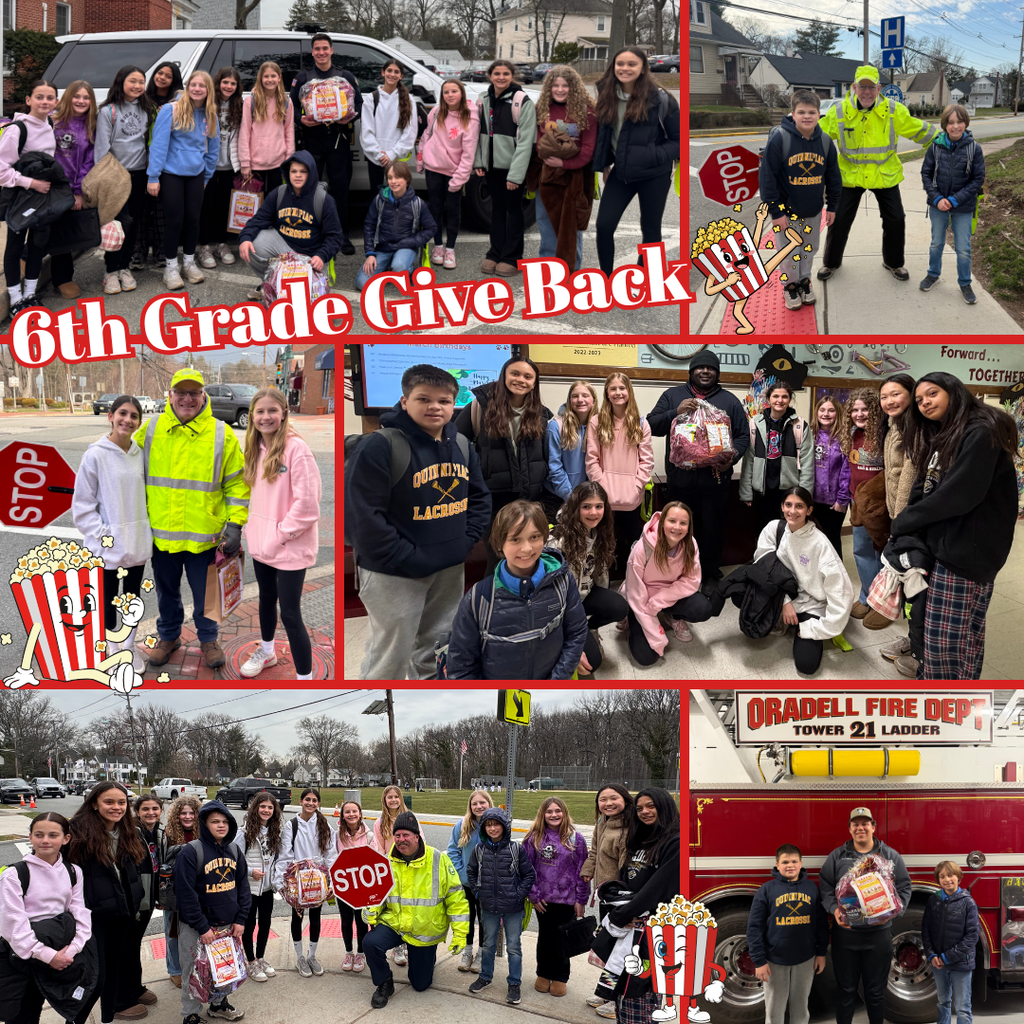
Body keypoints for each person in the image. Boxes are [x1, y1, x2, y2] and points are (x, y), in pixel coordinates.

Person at [344, 364, 490, 681]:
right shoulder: (379, 446)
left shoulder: (463, 446)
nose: (435, 407)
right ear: (405, 400)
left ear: (454, 405)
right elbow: (361, 519)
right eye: (424, 399)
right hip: (393, 574)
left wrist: (463, 544)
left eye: (444, 401)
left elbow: (480, 500)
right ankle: (382, 711)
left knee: (437, 651)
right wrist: (408, 558)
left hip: (448, 570)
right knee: (390, 658)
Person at [890, 372, 1018, 679]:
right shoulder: (946, 433)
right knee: (951, 636)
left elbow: (957, 496)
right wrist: (906, 524)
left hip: (966, 554)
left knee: (947, 643)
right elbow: (927, 484)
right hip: (947, 545)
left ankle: (944, 700)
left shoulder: (982, 431)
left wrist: (902, 523)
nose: (924, 403)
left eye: (931, 394)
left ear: (954, 391)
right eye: (919, 400)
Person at [133, 368, 250, 670]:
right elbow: (124, 463)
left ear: (203, 396)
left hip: (205, 536)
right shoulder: (151, 429)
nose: (187, 398)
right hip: (162, 535)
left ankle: (208, 639)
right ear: (170, 396)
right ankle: (169, 637)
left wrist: (235, 525)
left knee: (207, 595)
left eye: (194, 393)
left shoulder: (221, 433)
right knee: (166, 593)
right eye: (181, 392)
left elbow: (237, 485)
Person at [818, 65, 937, 282]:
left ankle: (893, 262)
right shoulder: (839, 112)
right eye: (862, 87)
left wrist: (947, 140)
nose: (866, 92)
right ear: (854, 87)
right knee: (839, 219)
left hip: (884, 174)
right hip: (850, 175)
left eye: (871, 87)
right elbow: (817, 135)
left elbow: (919, 130)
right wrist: (791, 135)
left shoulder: (894, 110)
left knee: (896, 219)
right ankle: (831, 263)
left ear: (879, 88)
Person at [447, 500, 588, 680]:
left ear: (545, 538)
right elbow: (461, 667)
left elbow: (576, 632)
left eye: (534, 537)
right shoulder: (478, 599)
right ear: (499, 544)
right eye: (515, 539)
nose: (527, 548)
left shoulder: (563, 581)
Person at [646, 350, 750, 585]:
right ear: (691, 371)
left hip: (715, 481)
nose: (705, 371)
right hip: (680, 481)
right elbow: (651, 425)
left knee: (712, 530)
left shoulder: (729, 401)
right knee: (677, 530)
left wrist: (732, 457)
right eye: (700, 368)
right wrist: (676, 412)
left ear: (717, 373)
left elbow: (743, 436)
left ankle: (710, 574)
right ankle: (677, 574)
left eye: (711, 368)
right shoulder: (672, 396)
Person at [240, 387, 322, 680]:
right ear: (251, 416)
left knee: (290, 613)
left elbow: (308, 505)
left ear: (284, 413)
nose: (266, 417)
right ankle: (267, 651)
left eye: (272, 411)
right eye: (260, 411)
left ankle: (305, 678)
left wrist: (279, 535)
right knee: (265, 600)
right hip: (262, 545)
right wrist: (250, 531)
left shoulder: (296, 449)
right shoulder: (254, 449)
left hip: (288, 547)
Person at [71, 394, 152, 671]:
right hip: (107, 548)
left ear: (139, 422)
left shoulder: (140, 454)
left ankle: (128, 648)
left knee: (132, 601)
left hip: (137, 545)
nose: (127, 420)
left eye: (133, 416)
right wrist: (106, 535)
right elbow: (82, 505)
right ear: (111, 416)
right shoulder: (95, 455)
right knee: (106, 603)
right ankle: (109, 647)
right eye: (123, 414)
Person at [455, 355, 552, 572]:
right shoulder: (479, 408)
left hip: (529, 499)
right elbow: (455, 445)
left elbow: (549, 457)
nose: (521, 380)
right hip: (492, 500)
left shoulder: (543, 416)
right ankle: (493, 602)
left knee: (526, 560)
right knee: (498, 558)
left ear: (534, 383)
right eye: (515, 374)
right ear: (504, 376)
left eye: (528, 376)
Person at [363, 811, 469, 1008]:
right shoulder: (386, 861)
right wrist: (371, 911)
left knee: (420, 984)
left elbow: (457, 899)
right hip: (395, 923)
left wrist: (460, 934)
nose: (401, 840)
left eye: (406, 835)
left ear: (416, 836)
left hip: (424, 930)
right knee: (370, 943)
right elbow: (377, 896)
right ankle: (384, 982)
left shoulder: (439, 860)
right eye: (398, 835)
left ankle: (425, 960)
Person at [818, 808, 912, 1024]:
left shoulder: (889, 855)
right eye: (856, 824)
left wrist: (894, 912)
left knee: (876, 993)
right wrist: (834, 910)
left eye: (865, 823)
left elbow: (905, 888)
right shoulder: (837, 856)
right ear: (850, 829)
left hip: (878, 936)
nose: (860, 828)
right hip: (846, 936)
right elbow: (825, 887)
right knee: (845, 992)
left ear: (873, 826)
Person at [0, 812, 94, 1024]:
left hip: (63, 950)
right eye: (39, 834)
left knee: (74, 1000)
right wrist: (48, 956)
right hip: (26, 957)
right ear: (30, 837)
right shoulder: (14, 875)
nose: (45, 840)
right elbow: (12, 925)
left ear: (65, 839)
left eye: (53, 835)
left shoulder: (73, 871)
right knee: (25, 1014)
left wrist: (72, 950)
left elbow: (80, 911)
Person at [593, 48, 680, 276]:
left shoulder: (661, 99)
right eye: (620, 63)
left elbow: (678, 141)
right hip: (620, 174)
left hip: (654, 175)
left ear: (643, 68)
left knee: (650, 229)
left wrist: (652, 156)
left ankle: (645, 278)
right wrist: (605, 164)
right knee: (603, 226)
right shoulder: (606, 95)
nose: (625, 68)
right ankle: (607, 277)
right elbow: (605, 135)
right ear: (613, 66)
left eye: (632, 64)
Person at [68, 781, 147, 1023]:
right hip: (92, 917)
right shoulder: (77, 833)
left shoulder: (129, 831)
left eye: (122, 802)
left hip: (121, 915)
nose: (117, 807)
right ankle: (74, 1019)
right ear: (94, 803)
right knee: (94, 977)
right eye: (109, 802)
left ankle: (108, 1016)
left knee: (113, 971)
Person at [752, 487, 854, 675]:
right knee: (743, 596)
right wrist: (785, 601)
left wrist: (817, 629)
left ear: (809, 510)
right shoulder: (774, 528)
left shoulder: (820, 542)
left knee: (806, 665)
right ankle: (786, 618)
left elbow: (843, 591)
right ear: (782, 507)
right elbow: (762, 566)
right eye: (788, 505)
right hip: (781, 595)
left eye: (799, 506)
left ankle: (798, 623)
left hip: (811, 604)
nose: (792, 511)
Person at [759, 90, 840, 309]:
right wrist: (776, 212)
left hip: (813, 211)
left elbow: (833, 176)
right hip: (787, 213)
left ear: (819, 114)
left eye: (812, 112)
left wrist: (832, 206)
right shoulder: (780, 140)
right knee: (788, 253)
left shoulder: (824, 141)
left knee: (809, 249)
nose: (807, 116)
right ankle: (790, 287)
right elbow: (767, 179)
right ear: (792, 114)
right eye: (801, 112)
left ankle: (804, 281)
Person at [608, 789, 682, 1024]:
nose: (644, 812)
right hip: (630, 930)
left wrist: (622, 915)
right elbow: (624, 879)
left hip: (653, 934)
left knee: (640, 989)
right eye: (639, 808)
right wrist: (612, 900)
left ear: (665, 806)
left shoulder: (676, 841)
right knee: (620, 988)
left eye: (651, 806)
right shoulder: (640, 839)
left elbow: (658, 888)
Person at [174, 801, 250, 1024]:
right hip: (197, 927)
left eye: (225, 821)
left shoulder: (234, 850)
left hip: (227, 926)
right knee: (193, 972)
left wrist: (240, 918)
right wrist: (202, 926)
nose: (221, 826)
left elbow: (242, 887)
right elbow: (186, 895)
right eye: (215, 821)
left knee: (224, 968)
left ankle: (218, 1004)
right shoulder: (191, 852)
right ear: (204, 824)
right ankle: (190, 1013)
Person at [146, 70, 219, 290]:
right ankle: (171, 268)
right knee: (175, 221)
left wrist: (206, 175)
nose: (197, 89)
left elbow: (212, 149)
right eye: (193, 84)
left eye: (202, 86)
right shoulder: (171, 109)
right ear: (188, 87)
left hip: (196, 175)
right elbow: (158, 144)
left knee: (193, 220)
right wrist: (153, 176)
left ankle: (188, 262)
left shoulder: (210, 114)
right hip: (171, 174)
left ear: (208, 90)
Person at [237, 150, 343, 301]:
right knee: (252, 243)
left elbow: (335, 237)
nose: (297, 175)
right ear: (288, 173)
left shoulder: (324, 200)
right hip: (285, 248)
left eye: (303, 171)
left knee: (312, 305)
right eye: (293, 171)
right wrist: (245, 238)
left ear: (311, 173)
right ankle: (271, 282)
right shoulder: (279, 193)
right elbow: (258, 220)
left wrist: (321, 255)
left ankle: (295, 286)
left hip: (312, 257)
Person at [548, 481, 628, 677]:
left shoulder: (600, 530)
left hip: (583, 596)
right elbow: (550, 598)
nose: (594, 512)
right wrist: (570, 641)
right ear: (576, 508)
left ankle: (590, 628)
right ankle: (572, 635)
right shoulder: (557, 539)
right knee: (592, 663)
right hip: (562, 608)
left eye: (598, 506)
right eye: (586, 507)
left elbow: (600, 572)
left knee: (619, 606)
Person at [290, 33, 361, 255]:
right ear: (312, 52)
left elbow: (357, 104)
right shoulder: (303, 77)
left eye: (325, 48)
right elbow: (291, 106)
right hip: (311, 139)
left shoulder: (344, 76)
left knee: (340, 190)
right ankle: (310, 234)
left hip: (338, 138)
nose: (321, 52)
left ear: (331, 50)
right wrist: (301, 120)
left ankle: (342, 235)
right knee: (309, 188)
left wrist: (348, 117)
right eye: (317, 49)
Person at [745, 844, 828, 1024]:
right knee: (774, 1009)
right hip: (774, 960)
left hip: (806, 958)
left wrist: (821, 952)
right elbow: (754, 928)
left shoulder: (812, 889)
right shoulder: (766, 890)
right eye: (785, 862)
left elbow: (821, 923)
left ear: (800, 863)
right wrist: (759, 960)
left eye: (794, 861)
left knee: (801, 1007)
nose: (790, 865)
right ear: (777, 865)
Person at [623, 502, 714, 664]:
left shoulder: (690, 544)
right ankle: (630, 620)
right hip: (641, 598)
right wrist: (654, 630)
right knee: (646, 657)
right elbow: (635, 591)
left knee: (703, 608)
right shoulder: (642, 548)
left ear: (688, 527)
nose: (677, 527)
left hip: (668, 595)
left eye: (683, 523)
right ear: (662, 521)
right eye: (672, 521)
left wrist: (658, 602)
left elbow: (691, 580)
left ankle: (673, 616)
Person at [585, 373, 654, 579]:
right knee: (605, 544)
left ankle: (632, 584)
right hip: (605, 499)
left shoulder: (641, 423)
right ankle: (603, 588)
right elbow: (592, 460)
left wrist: (636, 486)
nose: (618, 393)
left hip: (632, 497)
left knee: (633, 544)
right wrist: (602, 489)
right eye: (613, 388)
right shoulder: (597, 421)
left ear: (629, 392)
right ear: (607, 393)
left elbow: (647, 461)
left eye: (622, 388)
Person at [876, 373, 922, 676]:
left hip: (913, 522)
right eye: (884, 397)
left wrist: (901, 521)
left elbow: (908, 476)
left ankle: (921, 652)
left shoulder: (916, 430)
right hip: (899, 518)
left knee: (919, 587)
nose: (890, 401)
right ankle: (912, 639)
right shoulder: (893, 426)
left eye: (896, 394)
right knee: (907, 585)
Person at [0, 79, 59, 318]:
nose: (45, 102)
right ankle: (15, 299)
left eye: (49, 98)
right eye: (39, 97)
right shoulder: (17, 129)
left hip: (43, 199)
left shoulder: (50, 124)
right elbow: (2, 169)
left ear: (55, 102)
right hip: (20, 199)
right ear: (28, 100)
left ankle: (31, 295)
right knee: (14, 247)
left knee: (37, 246)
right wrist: (31, 182)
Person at [466, 808, 536, 1006]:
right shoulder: (479, 850)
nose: (493, 828)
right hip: (488, 907)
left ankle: (514, 983)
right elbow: (471, 872)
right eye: (488, 825)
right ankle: (485, 976)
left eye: (496, 824)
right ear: (484, 828)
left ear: (504, 826)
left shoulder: (516, 849)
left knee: (514, 947)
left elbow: (529, 875)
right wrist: (478, 892)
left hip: (513, 908)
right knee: (487, 945)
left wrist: (518, 894)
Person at [473, 60, 537, 277]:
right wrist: (479, 162)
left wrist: (516, 175)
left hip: (512, 169)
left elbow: (526, 141)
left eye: (505, 73)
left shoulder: (522, 101)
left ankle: (512, 257)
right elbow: (478, 134)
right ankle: (495, 252)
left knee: (514, 211)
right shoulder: (483, 99)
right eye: (497, 73)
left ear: (512, 76)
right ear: (490, 75)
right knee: (496, 211)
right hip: (491, 168)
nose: (501, 77)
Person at [95, 66, 155, 294]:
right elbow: (102, 149)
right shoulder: (108, 111)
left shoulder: (147, 109)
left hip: (140, 174)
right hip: (116, 176)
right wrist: (105, 180)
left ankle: (124, 266)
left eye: (141, 82)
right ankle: (110, 270)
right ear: (121, 82)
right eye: (133, 81)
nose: (138, 86)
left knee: (135, 222)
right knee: (120, 223)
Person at [522, 797, 589, 997]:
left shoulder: (576, 839)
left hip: (567, 901)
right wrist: (533, 895)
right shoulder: (534, 837)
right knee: (545, 938)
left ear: (564, 812)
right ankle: (543, 973)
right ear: (542, 814)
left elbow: (583, 872)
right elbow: (526, 869)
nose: (554, 815)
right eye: (549, 811)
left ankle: (560, 976)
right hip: (543, 900)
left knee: (562, 939)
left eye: (557, 811)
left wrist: (581, 900)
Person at [532, 65, 596, 270]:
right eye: (555, 85)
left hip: (575, 178)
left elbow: (587, 150)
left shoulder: (587, 112)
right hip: (547, 178)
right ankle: (549, 273)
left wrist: (564, 162)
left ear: (574, 87)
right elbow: (536, 142)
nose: (560, 89)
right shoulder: (541, 109)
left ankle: (571, 273)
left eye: (565, 85)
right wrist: (545, 154)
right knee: (546, 226)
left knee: (571, 228)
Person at [920, 104, 985, 304]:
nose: (955, 126)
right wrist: (938, 199)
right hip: (937, 205)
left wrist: (955, 200)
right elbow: (926, 174)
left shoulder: (974, 149)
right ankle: (933, 273)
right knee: (936, 242)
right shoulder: (935, 146)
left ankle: (965, 282)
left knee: (963, 247)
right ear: (944, 125)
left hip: (963, 207)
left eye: (959, 122)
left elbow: (977, 180)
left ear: (966, 123)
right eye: (951, 122)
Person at [580, 784, 634, 1017]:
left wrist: (629, 904)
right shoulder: (603, 822)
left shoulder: (629, 828)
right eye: (603, 799)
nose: (608, 803)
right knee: (609, 948)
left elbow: (627, 868)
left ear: (625, 800)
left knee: (620, 951)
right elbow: (594, 852)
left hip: (621, 899)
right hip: (605, 896)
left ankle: (618, 999)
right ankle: (606, 991)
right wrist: (588, 870)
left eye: (614, 798)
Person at [416, 78, 479, 269]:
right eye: (446, 92)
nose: (450, 95)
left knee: (453, 210)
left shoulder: (470, 118)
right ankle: (438, 246)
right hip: (433, 168)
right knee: (434, 208)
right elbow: (427, 135)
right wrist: (421, 159)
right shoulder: (436, 112)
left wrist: (459, 179)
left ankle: (450, 248)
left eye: (454, 91)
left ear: (461, 93)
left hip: (454, 172)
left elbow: (469, 153)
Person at [272, 789, 334, 979]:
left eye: (315, 800)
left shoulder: (324, 826)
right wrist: (281, 881)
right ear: (301, 801)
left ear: (318, 803)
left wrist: (332, 881)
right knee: (297, 917)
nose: (311, 803)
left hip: (318, 881)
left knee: (316, 917)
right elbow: (284, 855)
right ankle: (299, 957)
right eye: (307, 799)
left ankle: (312, 956)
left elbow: (330, 855)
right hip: (298, 881)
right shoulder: (292, 826)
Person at [129, 61, 183, 272]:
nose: (162, 77)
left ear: (174, 80)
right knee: (140, 209)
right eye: (159, 73)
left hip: (167, 162)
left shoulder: (178, 101)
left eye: (167, 76)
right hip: (141, 160)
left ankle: (161, 251)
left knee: (162, 209)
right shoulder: (142, 98)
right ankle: (138, 252)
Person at [740, 382, 814, 533]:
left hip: (788, 491)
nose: (780, 400)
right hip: (762, 491)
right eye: (775, 396)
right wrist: (746, 492)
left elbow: (807, 464)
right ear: (768, 399)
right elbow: (749, 460)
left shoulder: (799, 426)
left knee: (788, 531)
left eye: (784, 396)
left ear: (789, 399)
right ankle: (765, 557)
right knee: (763, 531)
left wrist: (804, 496)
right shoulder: (756, 424)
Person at [844, 388, 889, 629]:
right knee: (861, 552)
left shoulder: (887, 435)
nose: (860, 414)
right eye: (855, 409)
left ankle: (883, 603)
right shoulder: (851, 434)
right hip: (857, 504)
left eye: (865, 409)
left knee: (883, 555)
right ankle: (866, 597)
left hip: (881, 507)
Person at [356, 161, 436, 290]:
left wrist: (412, 241)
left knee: (399, 267)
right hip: (384, 248)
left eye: (398, 177)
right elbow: (369, 226)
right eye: (390, 177)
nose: (393, 181)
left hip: (406, 247)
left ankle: (405, 268)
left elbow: (431, 228)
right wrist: (370, 254)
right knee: (361, 283)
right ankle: (389, 267)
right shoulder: (379, 200)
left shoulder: (417, 203)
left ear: (407, 179)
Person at [50, 79, 96, 299]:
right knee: (40, 228)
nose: (81, 101)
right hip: (47, 186)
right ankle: (25, 256)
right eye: (77, 96)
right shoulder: (53, 121)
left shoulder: (91, 125)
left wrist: (78, 191)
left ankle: (62, 278)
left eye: (86, 97)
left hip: (70, 189)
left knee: (63, 233)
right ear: (68, 97)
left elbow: (89, 161)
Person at [196, 67, 243, 270]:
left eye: (233, 83)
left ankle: (222, 244)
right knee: (205, 206)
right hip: (207, 165)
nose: (229, 86)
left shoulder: (240, 105)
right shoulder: (207, 102)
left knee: (225, 206)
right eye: (225, 82)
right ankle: (203, 246)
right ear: (217, 83)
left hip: (229, 165)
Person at [922, 861, 979, 1024]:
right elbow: (926, 930)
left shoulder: (968, 903)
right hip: (938, 963)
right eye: (942, 876)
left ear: (959, 877)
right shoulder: (934, 900)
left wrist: (947, 957)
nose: (947, 879)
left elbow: (972, 936)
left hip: (960, 963)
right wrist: (932, 955)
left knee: (962, 1008)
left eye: (950, 875)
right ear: (938, 880)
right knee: (942, 1002)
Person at [446, 790, 494, 974]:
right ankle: (467, 952)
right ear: (470, 806)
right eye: (475, 804)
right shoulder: (462, 825)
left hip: (488, 885)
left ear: (489, 803)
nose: (479, 806)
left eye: (482, 802)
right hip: (466, 884)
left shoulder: (495, 826)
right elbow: (453, 851)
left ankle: (481, 953)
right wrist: (462, 875)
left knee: (485, 920)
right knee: (467, 918)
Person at [237, 791, 282, 983]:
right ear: (255, 808)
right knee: (249, 925)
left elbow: (277, 860)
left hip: (266, 888)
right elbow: (235, 860)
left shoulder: (274, 831)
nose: (266, 810)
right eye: (262, 806)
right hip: (249, 888)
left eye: (270, 807)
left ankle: (261, 957)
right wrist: (250, 872)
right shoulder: (244, 832)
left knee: (265, 924)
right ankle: (250, 961)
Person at [125, 795, 164, 1012]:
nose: (151, 812)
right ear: (137, 811)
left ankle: (135, 988)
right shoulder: (131, 833)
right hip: (135, 900)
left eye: (155, 808)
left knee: (134, 945)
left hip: (149, 898)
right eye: (145, 809)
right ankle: (121, 997)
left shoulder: (157, 833)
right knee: (126, 948)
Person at [360, 60, 417, 198]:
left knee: (398, 196)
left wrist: (392, 154)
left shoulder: (409, 100)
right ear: (383, 73)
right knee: (377, 196)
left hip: (398, 159)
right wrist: (380, 155)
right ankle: (378, 220)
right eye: (389, 71)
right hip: (376, 159)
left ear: (401, 76)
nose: (392, 74)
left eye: (396, 71)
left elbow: (410, 132)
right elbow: (366, 132)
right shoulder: (372, 99)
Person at [163, 795, 202, 989]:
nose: (187, 816)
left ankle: (193, 965)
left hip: (197, 889)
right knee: (172, 932)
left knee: (193, 932)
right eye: (183, 813)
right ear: (176, 815)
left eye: (191, 813)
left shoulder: (203, 832)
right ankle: (175, 969)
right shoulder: (168, 834)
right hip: (173, 891)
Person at [239, 62, 295, 197]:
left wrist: (288, 161)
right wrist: (245, 163)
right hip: (255, 164)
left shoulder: (286, 101)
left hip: (278, 163)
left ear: (279, 78)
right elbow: (244, 133)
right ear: (260, 78)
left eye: (273, 76)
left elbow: (289, 132)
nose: (270, 80)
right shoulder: (250, 101)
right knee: (255, 203)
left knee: (275, 201)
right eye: (266, 76)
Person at [543, 380, 597, 520]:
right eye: (575, 396)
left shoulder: (600, 427)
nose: (580, 400)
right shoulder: (556, 426)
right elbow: (553, 467)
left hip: (589, 499)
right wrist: (571, 496)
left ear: (593, 400)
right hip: (558, 497)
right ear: (569, 400)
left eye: (585, 395)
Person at [335, 801, 378, 973]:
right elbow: (333, 858)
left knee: (361, 921)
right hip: (343, 886)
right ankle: (348, 953)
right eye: (347, 812)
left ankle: (360, 953)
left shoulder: (368, 836)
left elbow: (374, 859)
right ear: (343, 815)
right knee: (346, 921)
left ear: (360, 813)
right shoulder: (337, 835)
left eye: (354, 811)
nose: (351, 814)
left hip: (362, 886)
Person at [810, 394, 851, 557]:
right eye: (822, 410)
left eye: (831, 410)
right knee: (812, 540)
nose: (826, 414)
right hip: (811, 498)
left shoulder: (844, 438)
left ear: (838, 414)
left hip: (833, 501)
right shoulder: (809, 435)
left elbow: (847, 471)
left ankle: (835, 578)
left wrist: (842, 500)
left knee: (831, 540)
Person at [373, 785, 405, 856]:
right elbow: (380, 848)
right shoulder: (379, 823)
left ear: (401, 799)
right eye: (390, 797)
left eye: (396, 797)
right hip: (390, 863)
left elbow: (420, 840)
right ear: (385, 800)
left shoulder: (409, 819)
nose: (393, 800)